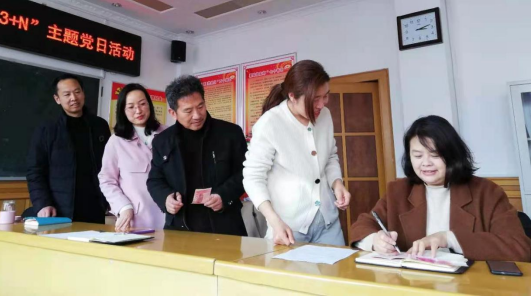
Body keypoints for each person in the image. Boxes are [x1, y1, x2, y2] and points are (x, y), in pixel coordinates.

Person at [350, 115, 531, 261]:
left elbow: (518, 247)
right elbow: (362, 226)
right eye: (418, 156)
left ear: (453, 155)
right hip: (412, 284)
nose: (426, 163)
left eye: (435, 155)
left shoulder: (487, 192)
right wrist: (375, 240)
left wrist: (449, 238)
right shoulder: (398, 191)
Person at [243, 60, 350, 246]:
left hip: (328, 223)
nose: (322, 104)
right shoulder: (270, 123)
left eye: (326, 96)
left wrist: (337, 183)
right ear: (292, 96)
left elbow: (330, 155)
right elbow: (252, 177)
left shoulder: (325, 116)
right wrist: (274, 221)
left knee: (339, 265)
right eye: (315, 99)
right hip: (287, 228)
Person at [147, 75, 247, 236]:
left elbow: (246, 173)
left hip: (224, 225)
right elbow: (155, 180)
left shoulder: (230, 134)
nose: (197, 115)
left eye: (200, 106)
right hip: (179, 227)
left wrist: (224, 195)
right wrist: (165, 199)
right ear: (173, 113)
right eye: (188, 111)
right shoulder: (162, 141)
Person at [26, 74, 111, 223]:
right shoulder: (47, 129)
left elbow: (110, 166)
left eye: (77, 92)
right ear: (57, 99)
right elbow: (35, 170)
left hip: (94, 207)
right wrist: (43, 203)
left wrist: (108, 200)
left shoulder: (100, 126)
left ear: (83, 93)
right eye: (67, 94)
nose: (74, 98)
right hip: (59, 209)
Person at [98, 83, 167, 231]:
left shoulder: (168, 134)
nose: (138, 110)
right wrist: (124, 207)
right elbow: (107, 180)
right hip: (137, 219)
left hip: (170, 216)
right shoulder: (116, 141)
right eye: (131, 107)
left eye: (142, 104)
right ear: (123, 110)